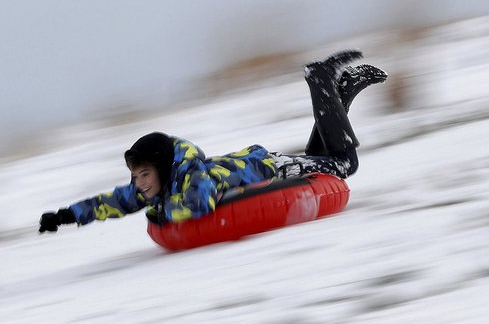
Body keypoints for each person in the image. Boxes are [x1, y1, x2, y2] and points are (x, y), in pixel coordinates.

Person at [39, 50, 387, 232]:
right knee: (322, 155)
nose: (139, 183)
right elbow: (111, 202)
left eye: (145, 173)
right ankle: (343, 90)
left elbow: (200, 204)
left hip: (271, 167)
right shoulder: (154, 187)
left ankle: (322, 79)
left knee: (343, 165)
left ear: (161, 167)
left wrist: (163, 210)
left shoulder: (193, 176)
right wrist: (67, 216)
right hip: (255, 162)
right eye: (136, 176)